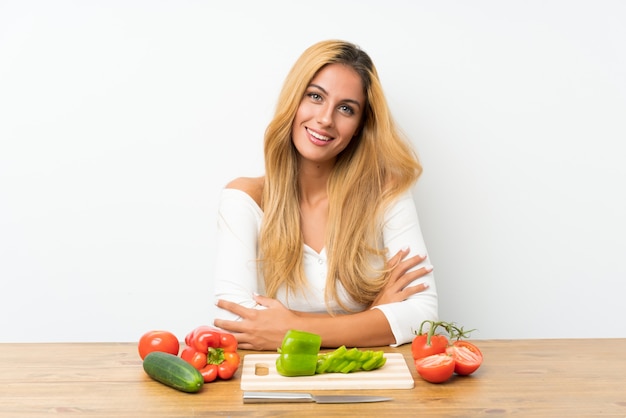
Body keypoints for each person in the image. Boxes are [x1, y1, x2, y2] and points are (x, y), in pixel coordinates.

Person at [212, 39, 437, 351]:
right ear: (293, 101)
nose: (326, 119)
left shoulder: (387, 193)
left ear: (360, 125)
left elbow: (421, 316)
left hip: (370, 384)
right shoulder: (244, 199)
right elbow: (237, 324)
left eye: (346, 108)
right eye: (315, 96)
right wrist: (373, 317)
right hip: (277, 386)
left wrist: (292, 325)